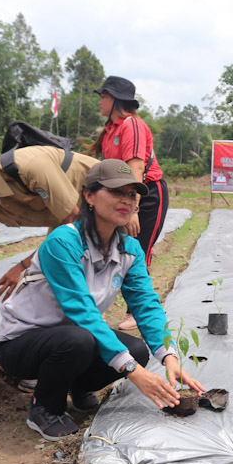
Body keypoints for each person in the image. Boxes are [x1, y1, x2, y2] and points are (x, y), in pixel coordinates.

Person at [0, 159, 204, 441]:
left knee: (137, 350)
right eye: (116, 191)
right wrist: (132, 371)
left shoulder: (130, 250)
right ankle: (44, 405)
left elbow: (146, 304)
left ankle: (78, 385)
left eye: (132, 194)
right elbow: (82, 311)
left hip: (75, 336)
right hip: (25, 343)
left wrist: (169, 355)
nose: (126, 200)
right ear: (89, 196)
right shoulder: (64, 242)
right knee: (81, 341)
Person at [0, 142, 97, 366]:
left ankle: (79, 366)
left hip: (100, 206)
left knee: (67, 282)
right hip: (66, 218)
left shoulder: (30, 168)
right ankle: (56, 355)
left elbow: (75, 228)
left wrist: (24, 266)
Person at [88, 76, 169, 331]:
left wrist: (133, 207)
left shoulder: (131, 125)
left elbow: (135, 167)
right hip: (120, 196)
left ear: (115, 99)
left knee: (137, 250)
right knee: (103, 248)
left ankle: (136, 312)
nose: (100, 101)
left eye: (103, 96)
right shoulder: (111, 129)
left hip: (145, 196)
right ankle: (94, 307)